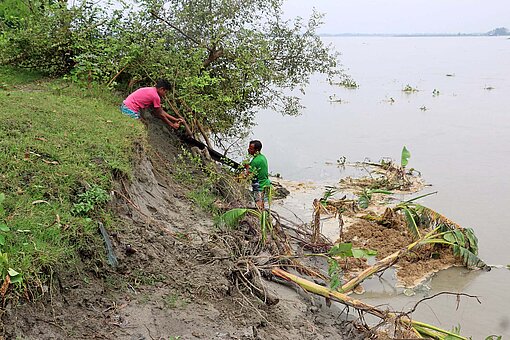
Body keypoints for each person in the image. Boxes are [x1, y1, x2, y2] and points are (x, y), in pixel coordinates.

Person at [245, 140, 271, 210]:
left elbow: (248, 175)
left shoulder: (255, 161)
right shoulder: (262, 157)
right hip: (266, 184)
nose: (248, 150)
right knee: (265, 208)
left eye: (251, 149)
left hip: (259, 187)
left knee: (259, 208)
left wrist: (247, 167)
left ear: (256, 150)